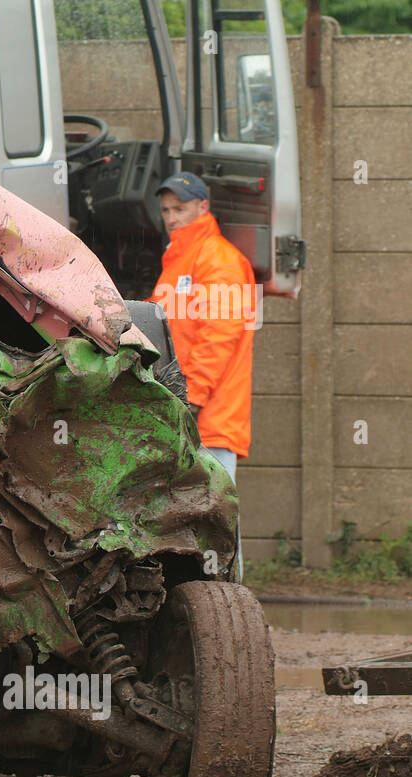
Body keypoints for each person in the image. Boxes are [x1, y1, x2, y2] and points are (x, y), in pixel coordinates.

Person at [147, 171, 256, 575]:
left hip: (208, 416)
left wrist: (192, 397)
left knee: (217, 524)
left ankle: (231, 614)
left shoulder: (221, 260)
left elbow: (220, 337)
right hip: (183, 413)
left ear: (203, 207)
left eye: (180, 207)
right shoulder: (178, 262)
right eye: (165, 210)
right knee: (198, 523)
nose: (171, 217)